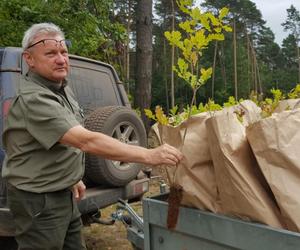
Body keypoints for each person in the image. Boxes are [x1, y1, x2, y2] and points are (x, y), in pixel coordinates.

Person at [2, 22, 183, 250]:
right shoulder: (34, 99)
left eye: (63, 52)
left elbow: (63, 140)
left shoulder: (60, 88)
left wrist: (72, 177)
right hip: (39, 199)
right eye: (50, 53)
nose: (61, 59)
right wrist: (148, 155)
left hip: (64, 192)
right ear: (29, 59)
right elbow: (85, 139)